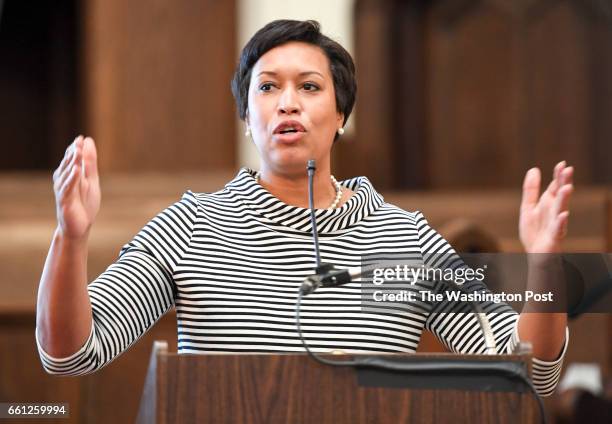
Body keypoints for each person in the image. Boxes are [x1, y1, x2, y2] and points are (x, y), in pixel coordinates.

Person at [35, 20, 572, 397]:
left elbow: (525, 369)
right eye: (267, 88)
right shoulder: (192, 225)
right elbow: (72, 353)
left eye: (309, 87)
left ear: (341, 115)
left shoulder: (403, 238)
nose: (287, 102)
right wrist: (71, 238)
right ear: (247, 118)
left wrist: (544, 263)